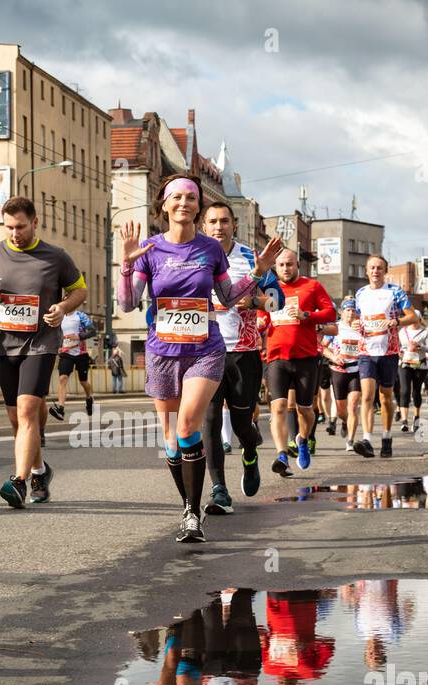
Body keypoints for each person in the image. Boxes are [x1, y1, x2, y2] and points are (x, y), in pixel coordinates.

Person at [117, 173, 282, 542]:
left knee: (189, 425)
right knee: (172, 439)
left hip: (205, 350)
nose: (184, 203)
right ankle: (187, 504)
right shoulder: (149, 249)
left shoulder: (210, 249)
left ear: (197, 206)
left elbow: (225, 296)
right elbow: (127, 302)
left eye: (191, 198)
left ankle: (194, 514)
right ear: (164, 204)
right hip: (162, 352)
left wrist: (258, 271)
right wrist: (127, 266)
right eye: (176, 197)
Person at [0, 196, 87, 508]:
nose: (14, 233)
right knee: (17, 418)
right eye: (8, 226)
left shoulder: (55, 257)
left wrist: (62, 308)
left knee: (26, 411)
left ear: (35, 223)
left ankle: (19, 482)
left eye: (20, 226)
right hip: (4, 345)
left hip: (41, 344)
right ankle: (39, 471)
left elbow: (80, 290)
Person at [200, 201, 282, 513]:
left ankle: (250, 450)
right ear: (204, 226)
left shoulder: (251, 258)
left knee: (240, 420)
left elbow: (277, 302)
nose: (218, 227)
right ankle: (219, 488)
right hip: (205, 351)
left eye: (224, 221)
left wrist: (257, 302)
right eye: (212, 222)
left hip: (244, 353)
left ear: (234, 225)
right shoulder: (195, 256)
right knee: (209, 418)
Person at [263, 249, 334, 478]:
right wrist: (259, 323)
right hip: (276, 357)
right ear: (276, 267)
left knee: (306, 410)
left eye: (290, 264)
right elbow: (263, 316)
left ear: (298, 266)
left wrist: (307, 316)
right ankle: (282, 455)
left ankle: (302, 439)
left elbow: (330, 313)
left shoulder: (312, 286)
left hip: (305, 358)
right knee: (279, 407)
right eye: (281, 265)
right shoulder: (270, 288)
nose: (286, 269)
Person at [346, 256, 420, 458]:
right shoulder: (360, 293)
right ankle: (367, 439)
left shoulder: (394, 292)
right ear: (366, 272)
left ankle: (387, 437)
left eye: (379, 268)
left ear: (385, 271)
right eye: (372, 268)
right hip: (366, 352)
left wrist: (396, 322)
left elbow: (413, 316)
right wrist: (356, 324)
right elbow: (359, 320)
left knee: (385, 397)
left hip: (388, 351)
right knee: (367, 396)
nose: (375, 271)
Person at [321, 305, 363, 452]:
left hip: (356, 370)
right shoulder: (335, 328)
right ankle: (345, 422)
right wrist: (333, 356)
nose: (351, 313)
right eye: (348, 310)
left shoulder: (361, 328)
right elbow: (322, 347)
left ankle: (350, 441)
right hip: (338, 370)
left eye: (353, 310)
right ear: (342, 312)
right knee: (340, 411)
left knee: (353, 405)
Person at [48, 309, 96, 420]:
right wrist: (58, 346)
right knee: (62, 378)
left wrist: (79, 337)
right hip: (66, 353)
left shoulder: (81, 315)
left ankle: (89, 397)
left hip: (81, 353)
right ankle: (60, 408)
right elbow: (55, 333)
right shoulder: (59, 316)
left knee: (83, 381)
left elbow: (93, 331)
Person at [396, 311, 428, 433]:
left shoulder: (425, 332)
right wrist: (399, 352)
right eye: (412, 319)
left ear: (420, 319)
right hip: (405, 363)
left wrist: (421, 347)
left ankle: (416, 418)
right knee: (404, 390)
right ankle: (404, 421)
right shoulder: (402, 332)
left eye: (416, 319)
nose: (414, 322)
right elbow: (397, 346)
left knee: (416, 391)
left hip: (419, 364)